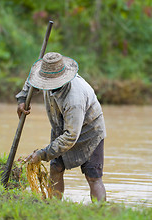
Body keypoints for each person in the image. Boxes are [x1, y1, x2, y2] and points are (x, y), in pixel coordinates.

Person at [16, 52, 106, 202]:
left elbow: (71, 136)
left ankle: (102, 211)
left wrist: (42, 154)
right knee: (56, 168)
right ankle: (54, 206)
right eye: (43, 81)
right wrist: (23, 98)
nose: (45, 85)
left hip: (90, 130)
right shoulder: (43, 77)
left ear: (61, 80)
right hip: (61, 126)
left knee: (93, 176)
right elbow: (31, 81)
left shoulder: (74, 99)